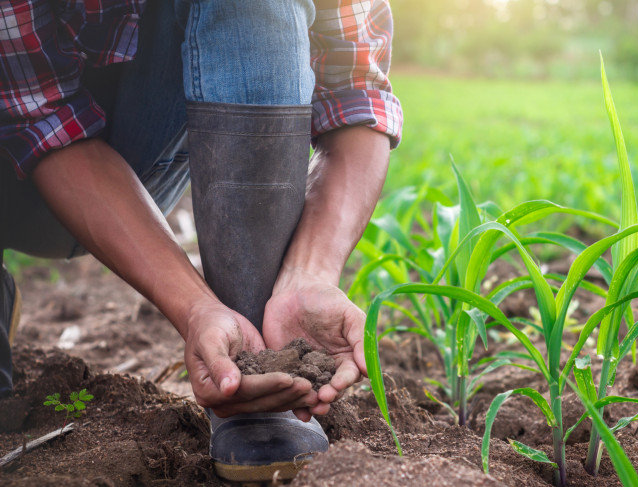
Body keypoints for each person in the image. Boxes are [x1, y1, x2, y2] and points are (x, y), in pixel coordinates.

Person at [0, 0, 402, 482]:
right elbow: (40, 121)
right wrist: (192, 307)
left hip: (123, 154)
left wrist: (308, 273)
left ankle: (253, 358)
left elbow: (357, 93)